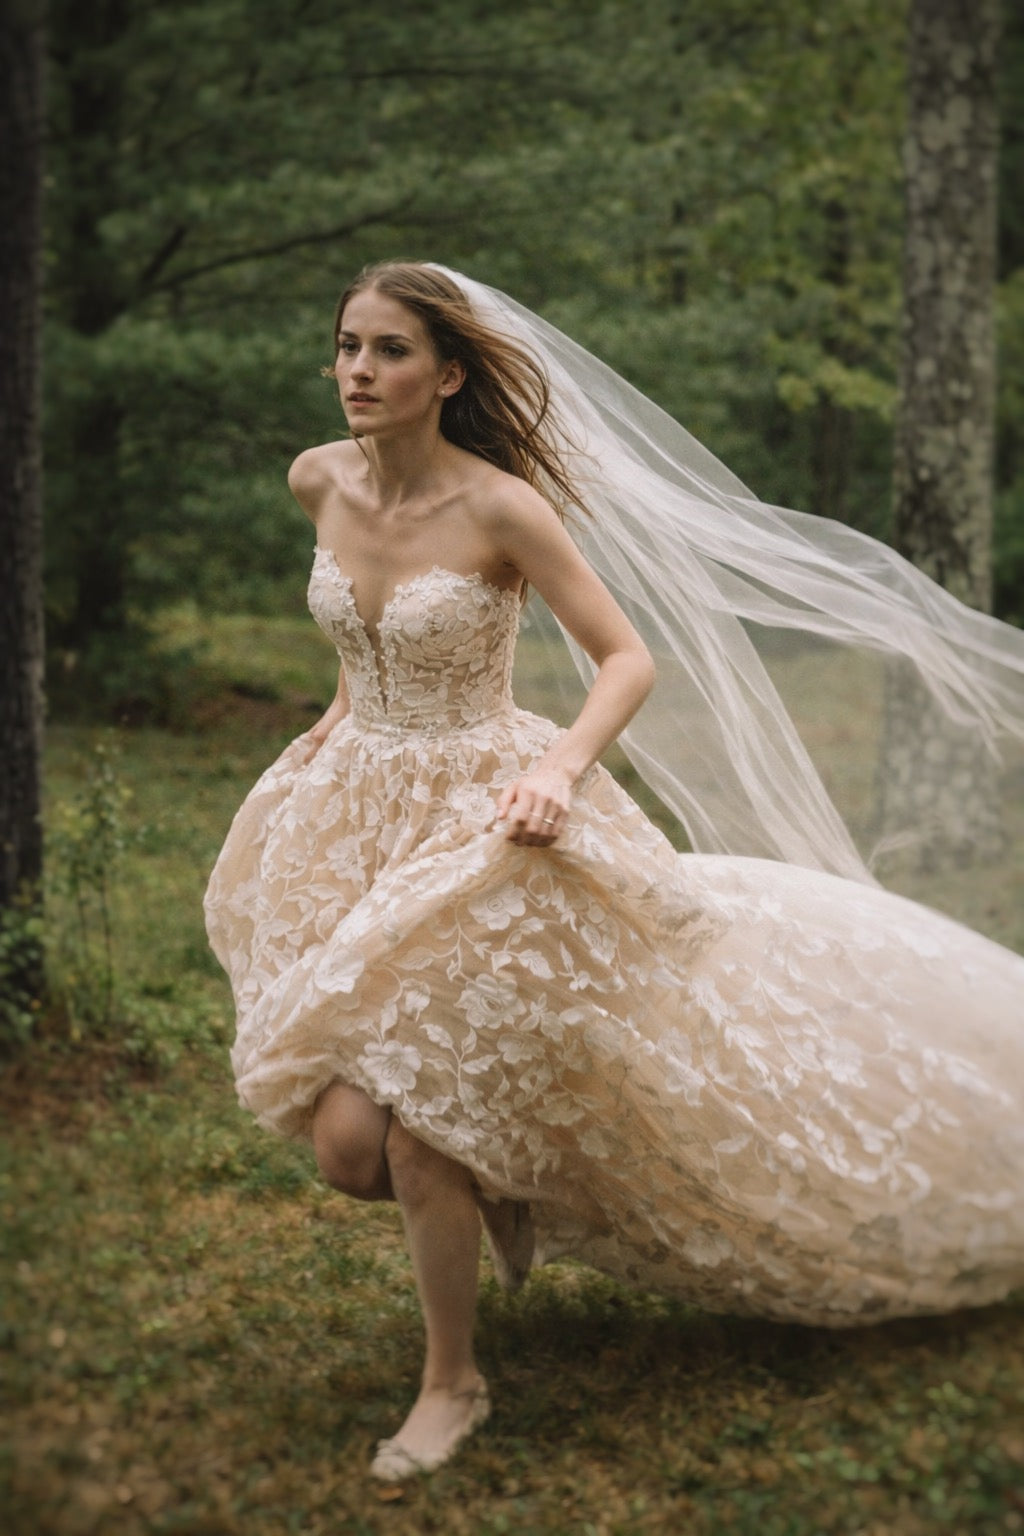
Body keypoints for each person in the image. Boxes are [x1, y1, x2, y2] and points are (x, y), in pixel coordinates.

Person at [205, 261, 1024, 1483]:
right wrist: (340, 715)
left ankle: (453, 1383)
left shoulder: (502, 509)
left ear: (450, 375)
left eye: (386, 352)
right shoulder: (315, 478)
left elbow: (627, 659)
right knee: (346, 1148)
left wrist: (561, 773)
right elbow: (361, 628)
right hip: (354, 810)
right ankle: (501, 1180)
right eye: (346, 347)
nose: (357, 372)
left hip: (491, 817)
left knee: (417, 1128)